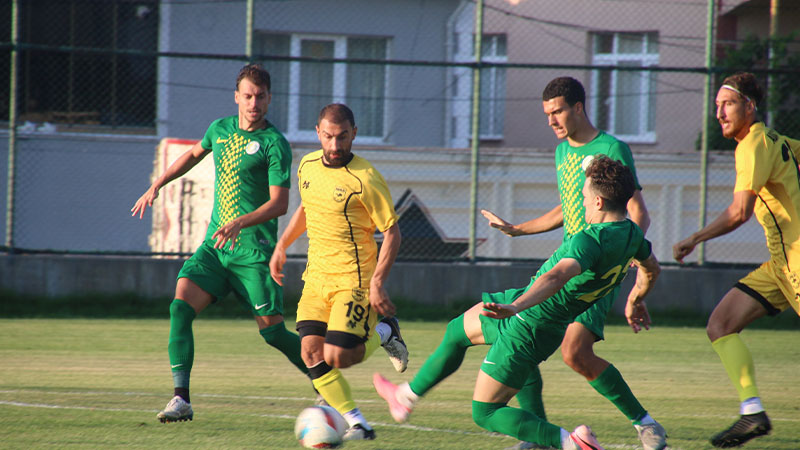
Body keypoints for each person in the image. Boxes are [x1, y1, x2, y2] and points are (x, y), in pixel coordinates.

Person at [375, 156, 661, 450]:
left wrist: (517, 307)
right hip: (531, 311)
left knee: (484, 412)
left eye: (585, 197)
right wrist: (638, 297)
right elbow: (652, 267)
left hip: (530, 322)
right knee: (457, 331)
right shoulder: (633, 235)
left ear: (599, 202)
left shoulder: (591, 240)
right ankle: (405, 396)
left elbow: (556, 276)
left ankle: (570, 443)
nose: (583, 202)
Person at [478, 76, 665, 450]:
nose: (551, 120)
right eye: (547, 113)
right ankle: (536, 432)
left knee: (574, 352)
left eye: (558, 111)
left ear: (578, 108)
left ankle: (645, 423)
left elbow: (635, 210)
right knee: (529, 335)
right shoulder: (563, 152)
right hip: (567, 267)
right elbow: (570, 207)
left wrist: (625, 250)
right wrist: (519, 229)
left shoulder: (611, 148)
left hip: (591, 274)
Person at [131, 63, 309, 423]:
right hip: (216, 249)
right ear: (236, 97)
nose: (253, 103)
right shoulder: (221, 129)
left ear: (269, 99)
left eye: (260, 97)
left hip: (253, 252)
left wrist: (240, 221)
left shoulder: (275, 144)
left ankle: (324, 381)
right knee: (180, 307)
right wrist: (157, 184)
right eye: (247, 96)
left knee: (274, 333)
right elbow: (192, 155)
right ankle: (181, 399)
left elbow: (280, 204)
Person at [673, 72, 800, 448]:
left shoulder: (752, 145)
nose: (719, 113)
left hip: (796, 263)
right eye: (716, 106)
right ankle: (752, 412)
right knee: (721, 324)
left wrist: (694, 238)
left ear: (750, 106)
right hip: (778, 267)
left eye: (727, 104)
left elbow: (739, 212)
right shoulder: (774, 140)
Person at [269, 103, 407, 441]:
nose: (335, 146)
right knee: (311, 353)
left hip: (354, 281)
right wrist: (282, 245)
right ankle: (357, 422)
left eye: (342, 137)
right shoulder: (308, 165)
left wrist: (377, 283)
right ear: (318, 133)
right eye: (328, 137)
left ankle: (386, 332)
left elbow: (392, 232)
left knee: (340, 356)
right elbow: (307, 206)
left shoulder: (366, 178)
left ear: (354, 134)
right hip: (316, 279)